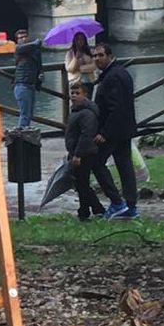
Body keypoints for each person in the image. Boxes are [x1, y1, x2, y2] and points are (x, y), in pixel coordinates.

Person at [92, 42, 139, 220]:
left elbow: (115, 107)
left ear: (110, 56)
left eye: (100, 55)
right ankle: (131, 206)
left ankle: (117, 202)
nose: (97, 59)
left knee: (97, 162)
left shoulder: (112, 77)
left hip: (113, 130)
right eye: (95, 56)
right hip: (124, 128)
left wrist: (104, 132)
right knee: (124, 164)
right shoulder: (120, 72)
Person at [64, 82, 105, 222]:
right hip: (76, 151)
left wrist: (78, 155)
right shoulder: (75, 111)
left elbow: (86, 135)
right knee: (80, 183)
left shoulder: (87, 113)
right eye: (72, 93)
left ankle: (87, 211)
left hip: (85, 153)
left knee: (82, 183)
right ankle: (92, 209)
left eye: (77, 93)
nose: (74, 96)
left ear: (85, 95)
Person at [12, 28, 43, 127]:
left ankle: (25, 133)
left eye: (25, 37)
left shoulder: (34, 50)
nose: (23, 39)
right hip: (22, 85)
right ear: (17, 40)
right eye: (21, 38)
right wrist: (38, 42)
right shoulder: (18, 49)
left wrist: (40, 76)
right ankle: (21, 134)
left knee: (29, 114)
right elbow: (32, 45)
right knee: (25, 115)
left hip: (31, 85)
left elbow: (39, 65)